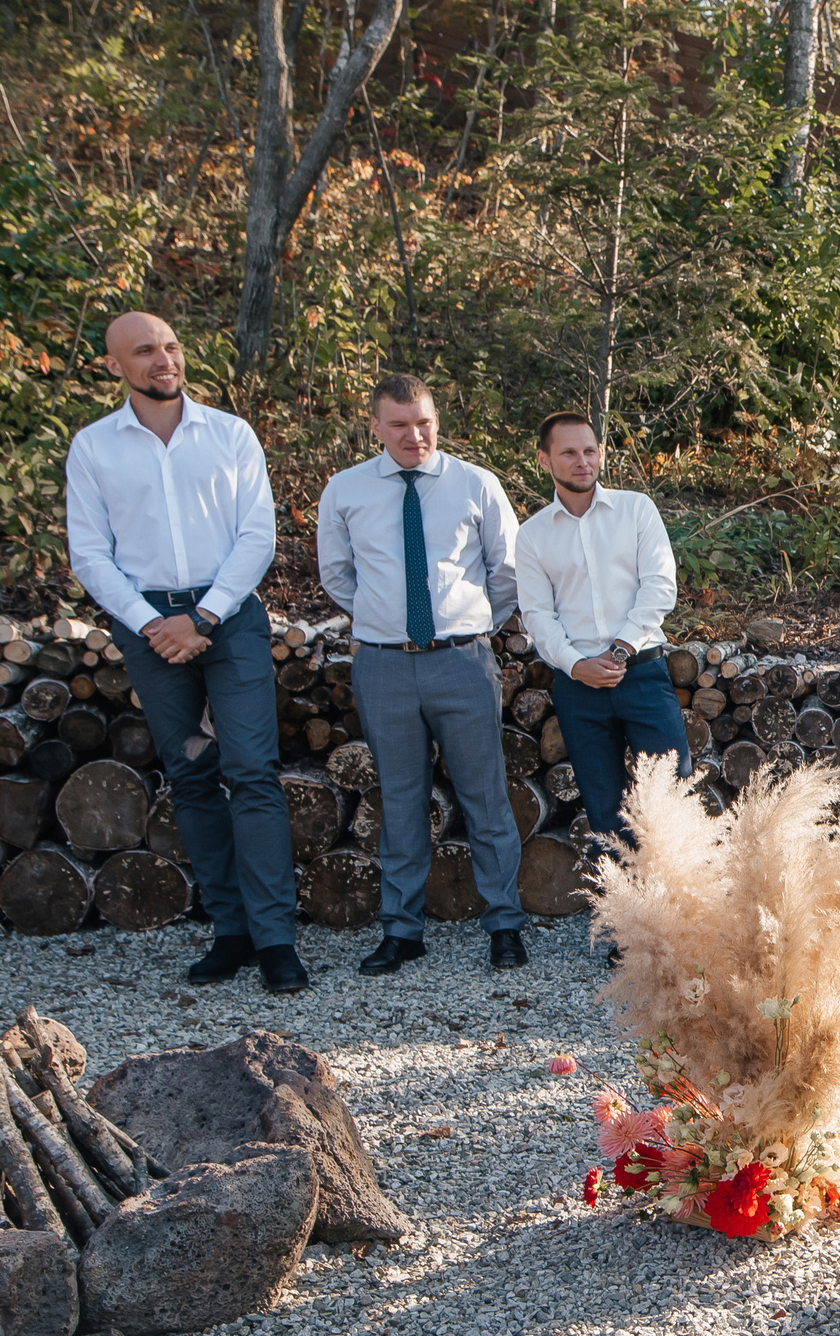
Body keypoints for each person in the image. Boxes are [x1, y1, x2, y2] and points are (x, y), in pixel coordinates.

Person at [64, 312, 309, 993]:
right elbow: (89, 553)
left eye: (170, 346)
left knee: (253, 772)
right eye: (144, 351)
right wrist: (154, 623)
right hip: (148, 625)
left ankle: (276, 937)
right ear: (115, 365)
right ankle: (229, 929)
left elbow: (257, 536)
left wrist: (202, 614)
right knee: (193, 774)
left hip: (227, 618)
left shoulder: (229, 434)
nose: (163, 360)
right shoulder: (93, 448)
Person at [315, 374, 529, 975]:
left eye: (424, 422)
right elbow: (338, 576)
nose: (415, 436)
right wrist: (386, 619)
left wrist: (468, 622)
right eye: (400, 425)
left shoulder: (475, 484)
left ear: (437, 418)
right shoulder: (347, 489)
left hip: (462, 661)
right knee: (401, 800)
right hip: (384, 665)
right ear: (377, 427)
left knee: (486, 796)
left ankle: (505, 924)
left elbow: (505, 571)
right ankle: (402, 930)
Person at [513, 412, 690, 839]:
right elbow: (537, 616)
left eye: (590, 451)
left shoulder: (635, 510)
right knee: (606, 813)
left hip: (643, 674)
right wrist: (576, 666)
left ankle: (680, 904)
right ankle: (623, 907)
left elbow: (660, 587)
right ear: (544, 459)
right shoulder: (533, 535)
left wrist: (619, 651)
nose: (583, 461)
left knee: (672, 799)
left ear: (601, 454)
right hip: (579, 690)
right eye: (569, 452)